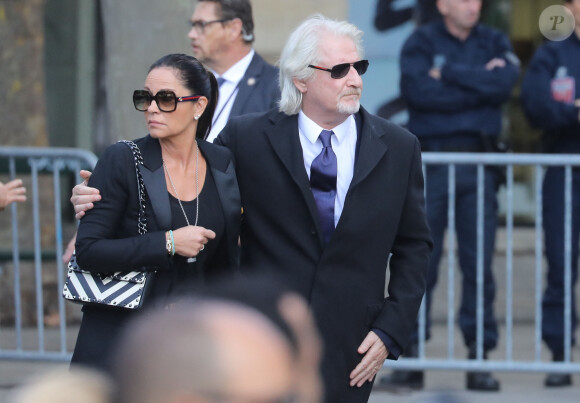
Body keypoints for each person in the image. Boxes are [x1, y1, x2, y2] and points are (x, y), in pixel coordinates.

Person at [71, 15, 432, 403]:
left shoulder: (399, 147)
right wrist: (101, 196)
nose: (355, 79)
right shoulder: (247, 138)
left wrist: (390, 330)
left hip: (354, 343)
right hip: (259, 336)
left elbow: (414, 247)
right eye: (339, 69)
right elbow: (185, 187)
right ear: (301, 79)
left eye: (358, 67)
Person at [379, 0, 519, 392]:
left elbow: (503, 86)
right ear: (442, 5)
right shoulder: (420, 43)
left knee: (478, 266)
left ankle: (478, 357)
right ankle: (411, 357)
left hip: (480, 163)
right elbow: (420, 94)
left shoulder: (493, 39)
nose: (472, 6)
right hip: (433, 167)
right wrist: (477, 85)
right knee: (421, 263)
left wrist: (451, 74)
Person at [69, 53, 241, 373]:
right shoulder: (122, 159)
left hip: (190, 341)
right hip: (123, 337)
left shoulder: (222, 163)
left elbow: (224, 263)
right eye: (145, 98)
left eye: (165, 99)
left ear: (199, 106)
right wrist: (168, 242)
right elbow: (90, 250)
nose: (151, 108)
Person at [520, 0, 580, 388]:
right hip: (564, 172)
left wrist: (571, 109)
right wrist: (572, 113)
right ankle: (560, 354)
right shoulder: (551, 55)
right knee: (560, 265)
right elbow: (537, 107)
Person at [188, 0, 280, 141]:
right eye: (193, 25)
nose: (192, 34)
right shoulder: (190, 85)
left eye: (201, 25)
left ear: (234, 29)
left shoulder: (276, 86)